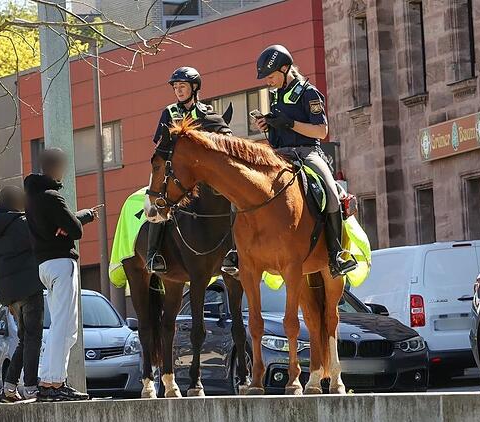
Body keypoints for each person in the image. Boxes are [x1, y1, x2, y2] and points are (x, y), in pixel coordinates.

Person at [251, 44, 357, 278]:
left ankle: (336, 255)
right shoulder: (276, 94)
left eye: (270, 76)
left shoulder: (309, 93)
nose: (267, 81)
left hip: (307, 153)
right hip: (279, 154)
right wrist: (268, 125)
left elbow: (321, 131)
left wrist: (290, 124)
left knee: (331, 194)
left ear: (285, 68)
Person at [24, 148, 101, 402]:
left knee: (59, 325)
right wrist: (76, 222)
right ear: (57, 168)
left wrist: (73, 221)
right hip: (61, 263)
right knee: (65, 327)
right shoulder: (53, 197)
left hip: (43, 266)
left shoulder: (32, 198)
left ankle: (50, 379)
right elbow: (75, 230)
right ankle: (54, 384)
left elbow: (69, 225)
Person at [150, 66, 234, 274]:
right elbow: (159, 145)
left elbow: (226, 137)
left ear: (194, 88)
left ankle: (234, 252)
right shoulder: (169, 112)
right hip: (174, 172)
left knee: (233, 198)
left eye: (183, 86)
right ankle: (153, 255)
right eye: (176, 87)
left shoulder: (207, 113)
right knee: (155, 202)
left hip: (203, 176)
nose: (178, 91)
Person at [0, 185, 45, 403]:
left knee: (24, 339)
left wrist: (5, 298)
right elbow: (47, 233)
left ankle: (9, 388)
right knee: (33, 337)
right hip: (29, 287)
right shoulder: (22, 224)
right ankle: (30, 387)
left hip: (10, 295)